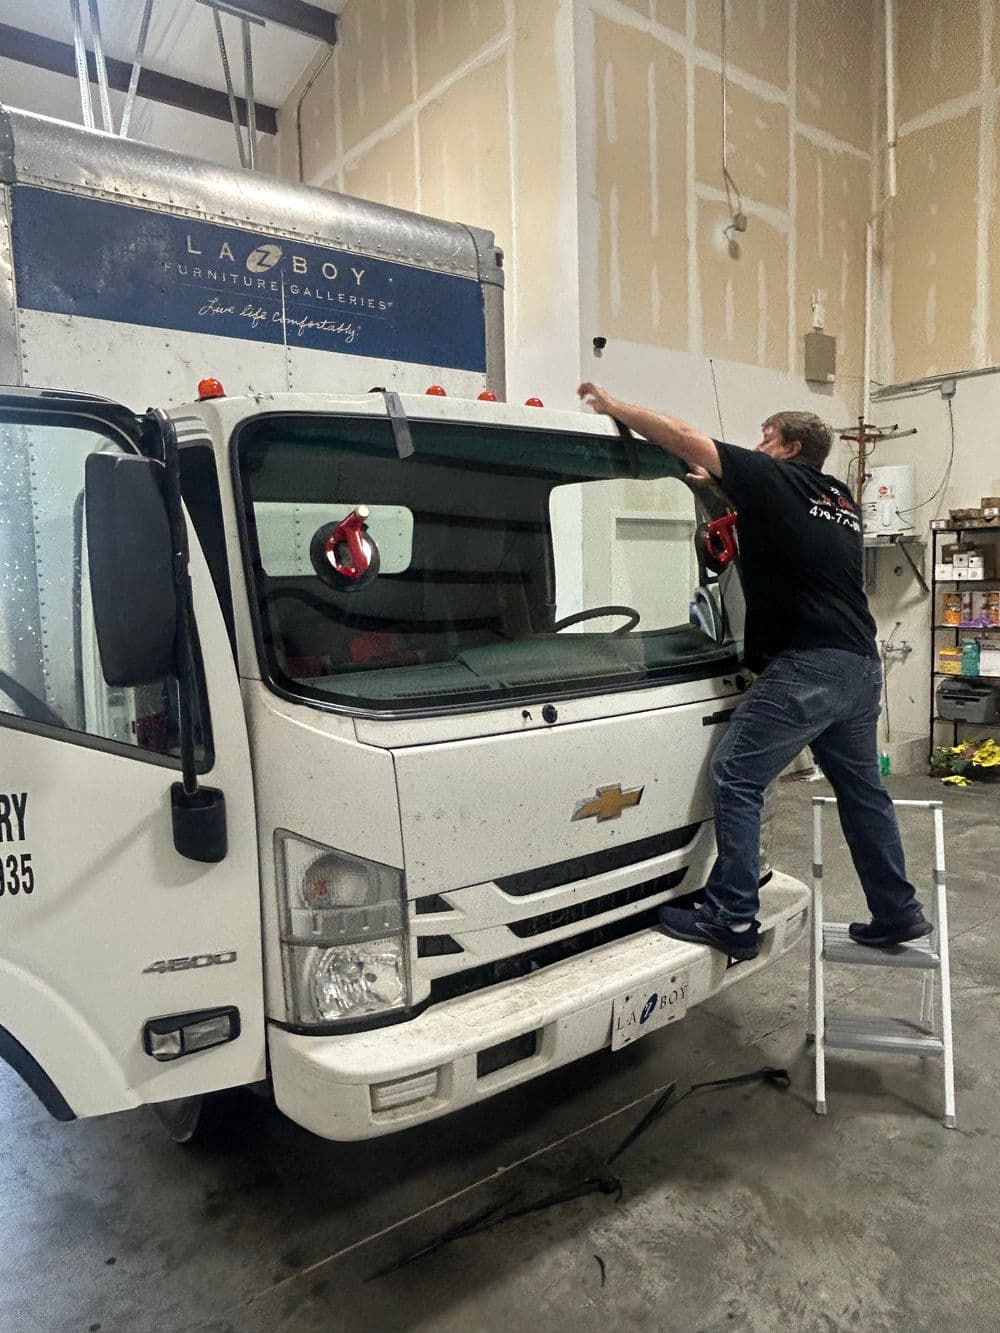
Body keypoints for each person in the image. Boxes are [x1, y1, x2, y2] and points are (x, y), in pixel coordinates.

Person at [577, 382, 930, 962]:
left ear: (789, 448)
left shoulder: (774, 477)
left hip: (809, 667)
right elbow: (792, 535)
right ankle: (897, 911)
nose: (757, 447)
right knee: (863, 794)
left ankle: (732, 916)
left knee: (738, 776)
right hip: (859, 667)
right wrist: (721, 491)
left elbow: (687, 437)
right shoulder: (837, 495)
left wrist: (617, 408)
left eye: (765, 439)